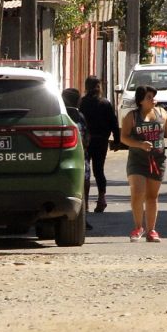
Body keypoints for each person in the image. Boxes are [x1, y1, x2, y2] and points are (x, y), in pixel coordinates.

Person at [120, 85, 167, 242]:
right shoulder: (131, 117)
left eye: (154, 96)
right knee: (138, 192)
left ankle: (151, 231)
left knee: (152, 196)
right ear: (140, 100)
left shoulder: (161, 113)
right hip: (137, 160)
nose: (153, 99)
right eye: (149, 97)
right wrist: (140, 144)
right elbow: (124, 137)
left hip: (157, 160)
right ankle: (138, 227)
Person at [79, 76, 121, 213]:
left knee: (85, 172)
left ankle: (84, 204)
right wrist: (116, 141)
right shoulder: (105, 103)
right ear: (99, 87)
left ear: (86, 88)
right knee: (99, 171)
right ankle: (101, 199)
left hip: (84, 142)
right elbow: (114, 123)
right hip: (101, 141)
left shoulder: (81, 103)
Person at [61, 88, 93, 229]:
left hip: (62, 157)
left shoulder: (61, 116)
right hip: (80, 157)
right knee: (83, 188)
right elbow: (87, 137)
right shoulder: (79, 116)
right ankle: (82, 216)